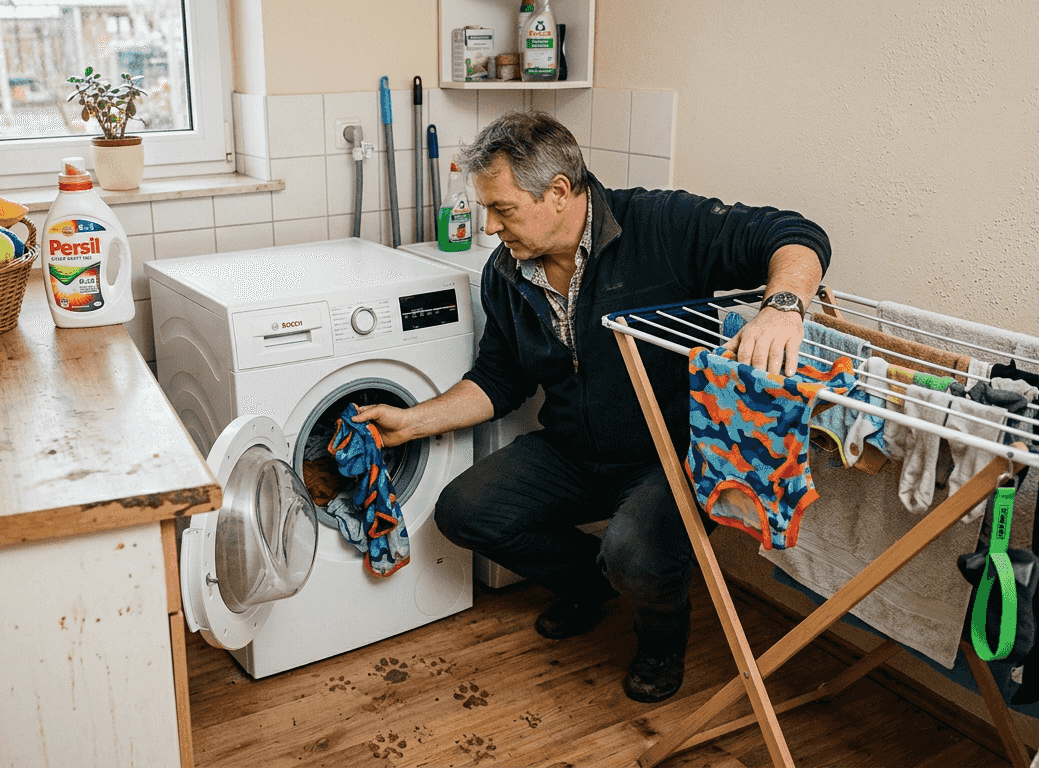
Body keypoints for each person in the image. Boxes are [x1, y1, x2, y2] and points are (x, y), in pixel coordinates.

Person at [353, 111, 830, 703]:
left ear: (558, 191)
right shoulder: (507, 273)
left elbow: (794, 233)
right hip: (573, 450)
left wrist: (783, 306)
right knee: (463, 511)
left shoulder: (659, 225)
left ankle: (659, 642)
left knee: (635, 550)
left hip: (669, 455)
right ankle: (590, 583)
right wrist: (412, 421)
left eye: (502, 209)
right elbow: (501, 380)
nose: (491, 225)